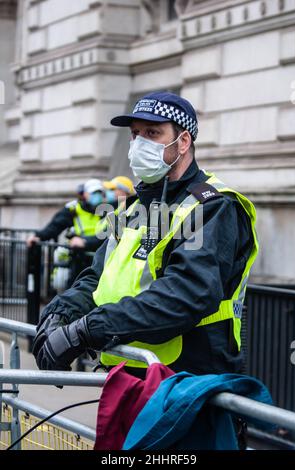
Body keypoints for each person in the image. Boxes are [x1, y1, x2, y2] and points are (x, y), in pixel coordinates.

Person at [32, 91, 259, 380]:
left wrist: (87, 330)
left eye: (152, 133)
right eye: (135, 134)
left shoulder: (213, 205)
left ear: (183, 141)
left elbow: (184, 296)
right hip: (124, 375)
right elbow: (97, 276)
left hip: (187, 383)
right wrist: (61, 312)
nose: (140, 143)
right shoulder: (129, 208)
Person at [26, 179, 105, 250]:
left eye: (99, 193)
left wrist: (86, 241)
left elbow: (107, 234)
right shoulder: (73, 208)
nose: (97, 196)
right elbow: (56, 225)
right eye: (94, 193)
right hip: (79, 254)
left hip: (99, 251)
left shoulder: (107, 210)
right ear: (84, 193)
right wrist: (39, 236)